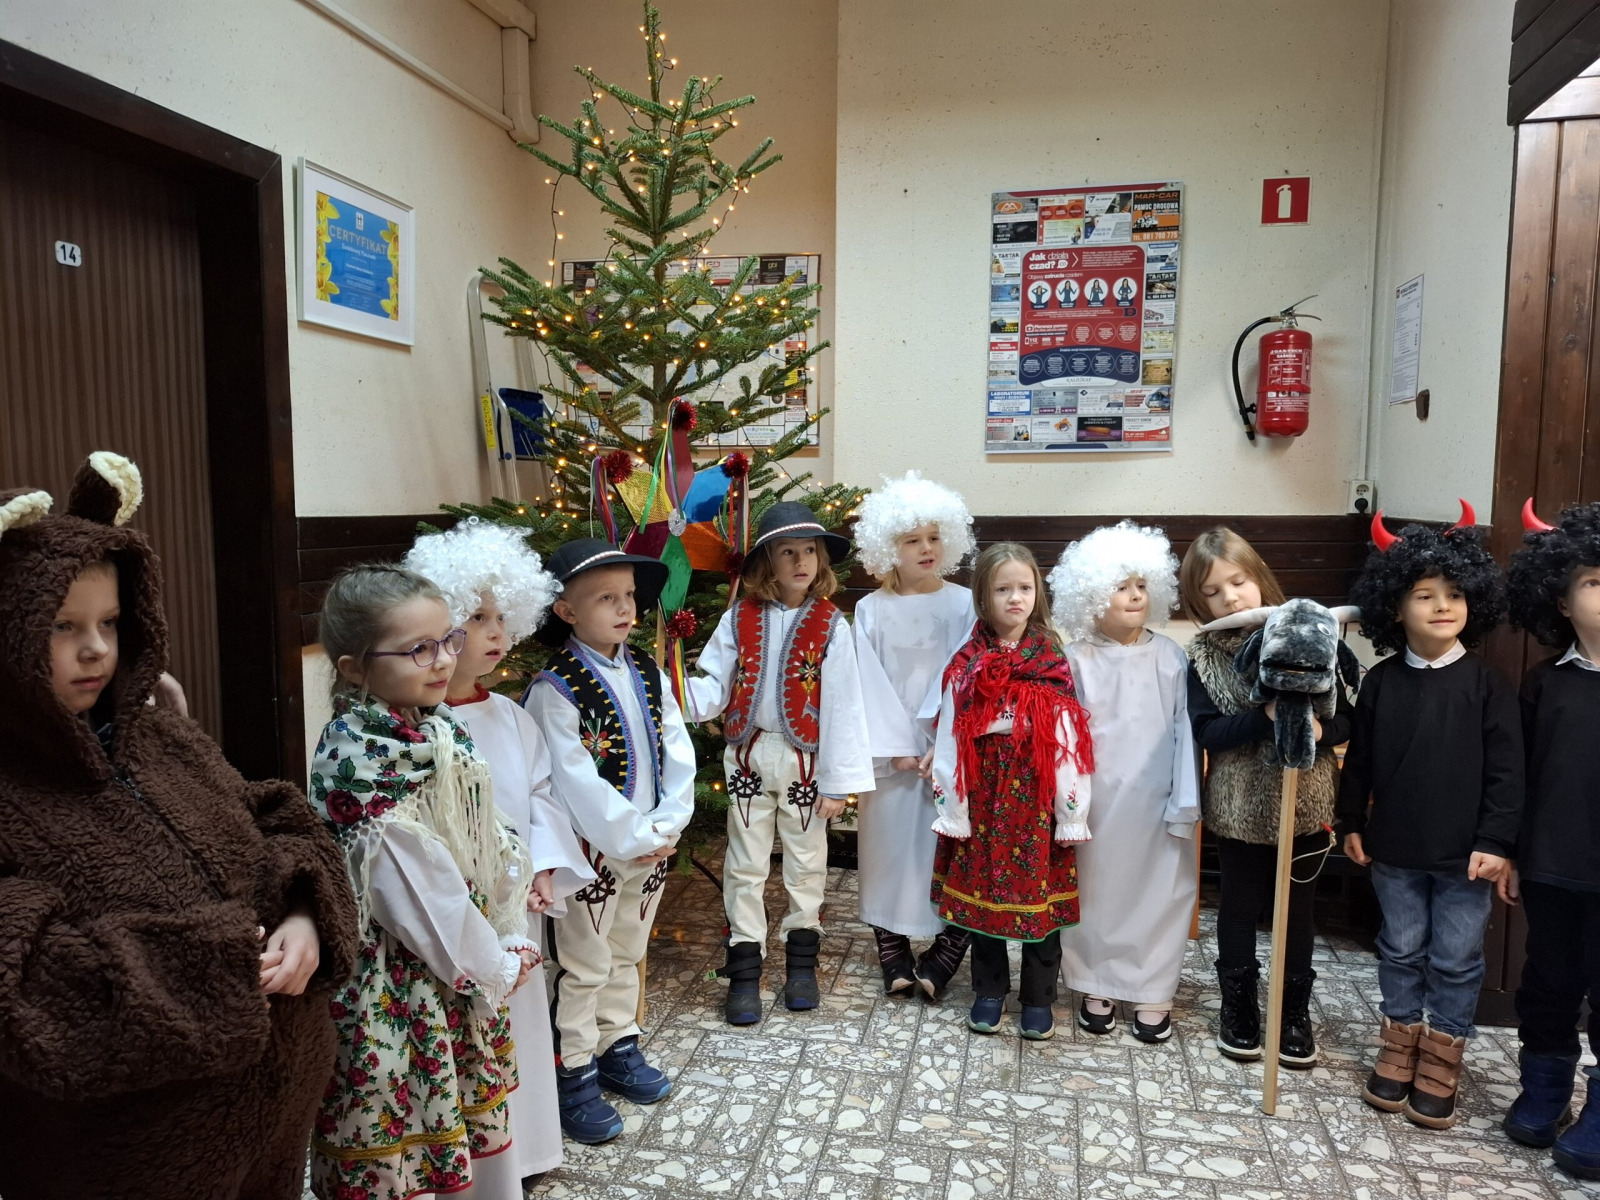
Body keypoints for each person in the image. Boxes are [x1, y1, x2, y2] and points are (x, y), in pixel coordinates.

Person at [0, 452, 358, 1200]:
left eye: (109, 622)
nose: (97, 649)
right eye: (62, 626)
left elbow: (276, 818)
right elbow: (26, 979)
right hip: (133, 1156)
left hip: (274, 1118)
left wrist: (305, 911)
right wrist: (220, 964)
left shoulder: (158, 733)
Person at [309, 563, 539, 1200]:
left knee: (464, 1127)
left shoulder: (434, 727)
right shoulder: (359, 760)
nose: (442, 660)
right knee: (408, 1131)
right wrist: (495, 963)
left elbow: (485, 837)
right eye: (418, 649)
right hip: (403, 976)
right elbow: (419, 895)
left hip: (454, 963)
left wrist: (507, 923)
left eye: (447, 640)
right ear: (355, 668)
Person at [403, 518, 594, 1179]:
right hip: (455, 907)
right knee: (467, 1025)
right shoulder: (417, 728)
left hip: (517, 903)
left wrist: (544, 866)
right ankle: (473, 1164)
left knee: (520, 1018)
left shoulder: (512, 717)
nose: (494, 633)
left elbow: (540, 796)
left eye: (500, 617)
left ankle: (529, 1148)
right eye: (476, 617)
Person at [1341, 508, 1522, 1130]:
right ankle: (1399, 1044)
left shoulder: (1489, 685)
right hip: (1393, 850)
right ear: (1394, 608)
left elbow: (1508, 774)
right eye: (1424, 595)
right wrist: (1350, 821)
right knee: (1399, 949)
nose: (1443, 605)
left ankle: (1443, 1055)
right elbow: (1359, 761)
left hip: (1466, 859)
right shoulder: (1381, 683)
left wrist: (1496, 840)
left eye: (1454, 594)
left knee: (1456, 959)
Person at [521, 538, 695, 1143]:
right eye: (605, 598)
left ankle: (618, 1042)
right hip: (591, 852)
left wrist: (668, 823)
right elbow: (571, 781)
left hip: (651, 845)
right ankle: (572, 1066)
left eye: (629, 596)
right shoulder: (555, 687)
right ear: (565, 610)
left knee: (627, 947)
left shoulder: (647, 669)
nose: (625, 608)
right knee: (584, 960)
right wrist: (632, 834)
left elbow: (677, 747)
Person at [687, 502, 875, 1025]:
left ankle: (801, 965)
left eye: (809, 551)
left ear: (821, 559)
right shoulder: (738, 617)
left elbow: (844, 705)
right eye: (787, 551)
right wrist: (675, 692)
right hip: (748, 754)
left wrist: (837, 782)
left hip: (806, 762)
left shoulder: (831, 624)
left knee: (806, 862)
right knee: (744, 862)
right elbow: (714, 684)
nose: (800, 561)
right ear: (766, 560)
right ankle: (745, 969)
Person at [1180, 526, 1351, 1068]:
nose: (1230, 598)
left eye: (1238, 582)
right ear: (1199, 601)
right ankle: (1239, 1009)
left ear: (1258, 576)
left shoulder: (1307, 632)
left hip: (1305, 805)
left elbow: (1347, 718)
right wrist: (1265, 716)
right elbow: (1208, 732)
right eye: (1213, 592)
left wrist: (1322, 730)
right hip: (1238, 807)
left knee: (1297, 911)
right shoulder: (1203, 655)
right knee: (1238, 907)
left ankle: (1292, 1013)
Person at [929, 542, 1093, 1041]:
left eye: (1024, 587)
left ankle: (1039, 997)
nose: (1015, 598)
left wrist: (1071, 810)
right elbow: (950, 734)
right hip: (984, 795)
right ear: (983, 596)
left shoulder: (1051, 657)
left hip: (1037, 797)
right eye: (1003, 589)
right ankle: (989, 991)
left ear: (1037, 592)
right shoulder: (967, 660)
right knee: (986, 899)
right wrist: (953, 804)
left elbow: (1068, 738)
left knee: (1040, 901)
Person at [1052, 521, 1199, 1043]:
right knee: (1094, 888)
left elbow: (1185, 731)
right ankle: (1096, 981)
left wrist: (1185, 802)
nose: (1136, 595)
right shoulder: (1075, 659)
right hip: (1094, 800)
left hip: (1157, 800)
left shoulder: (1171, 657)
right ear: (1091, 595)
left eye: (1141, 584)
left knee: (1161, 891)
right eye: (1120, 586)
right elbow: (1063, 736)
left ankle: (1154, 986)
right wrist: (1066, 805)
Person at [851, 472, 978, 999]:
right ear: (888, 547)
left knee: (949, 846)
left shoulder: (965, 604)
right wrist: (899, 749)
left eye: (934, 537)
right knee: (886, 846)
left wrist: (942, 743)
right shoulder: (870, 610)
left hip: (949, 750)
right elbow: (865, 682)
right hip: (890, 756)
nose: (926, 548)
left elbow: (969, 673)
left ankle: (948, 946)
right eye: (911, 540)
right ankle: (892, 946)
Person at [1503, 500, 1600, 1177]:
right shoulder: (1546, 684)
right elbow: (1520, 776)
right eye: (1593, 581)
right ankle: (1544, 1085)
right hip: (1553, 865)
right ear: (1562, 601)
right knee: (1549, 978)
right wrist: (1510, 850)